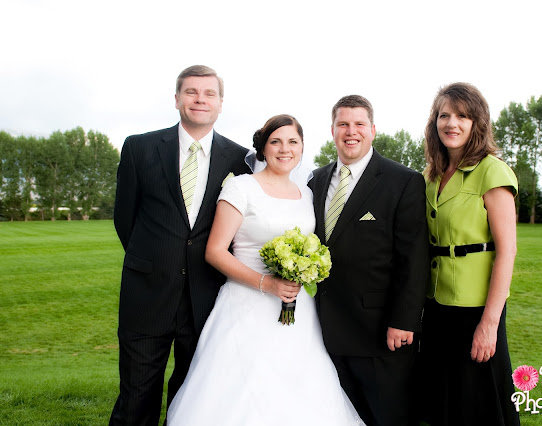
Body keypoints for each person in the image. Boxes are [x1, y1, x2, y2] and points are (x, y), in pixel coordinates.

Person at [167, 114, 364, 426]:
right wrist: (266, 283)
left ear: (302, 147)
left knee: (298, 387)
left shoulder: (306, 194)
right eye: (276, 142)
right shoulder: (240, 188)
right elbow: (215, 251)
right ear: (263, 148)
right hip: (246, 306)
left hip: (298, 312)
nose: (285, 149)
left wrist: (306, 268)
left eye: (293, 142)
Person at [110, 65, 252, 425]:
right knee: (137, 396)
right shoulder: (139, 148)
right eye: (191, 92)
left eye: (209, 94)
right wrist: (154, 260)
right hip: (147, 294)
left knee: (192, 400)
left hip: (206, 297)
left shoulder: (241, 160)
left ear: (220, 103)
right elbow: (125, 218)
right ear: (177, 99)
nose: (200, 99)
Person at [308, 95, 429, 426]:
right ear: (332, 130)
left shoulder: (403, 181)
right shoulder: (315, 180)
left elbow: (414, 259)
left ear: (373, 130)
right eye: (343, 124)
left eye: (359, 124)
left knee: (385, 416)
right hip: (323, 329)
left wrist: (404, 320)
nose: (351, 131)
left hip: (379, 332)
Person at [412, 82, 520, 425]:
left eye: (462, 116)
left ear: (477, 123)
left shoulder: (492, 171)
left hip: (476, 310)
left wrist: (489, 324)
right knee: (444, 404)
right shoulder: (430, 176)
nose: (451, 123)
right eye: (444, 115)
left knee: (479, 405)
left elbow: (507, 251)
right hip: (436, 306)